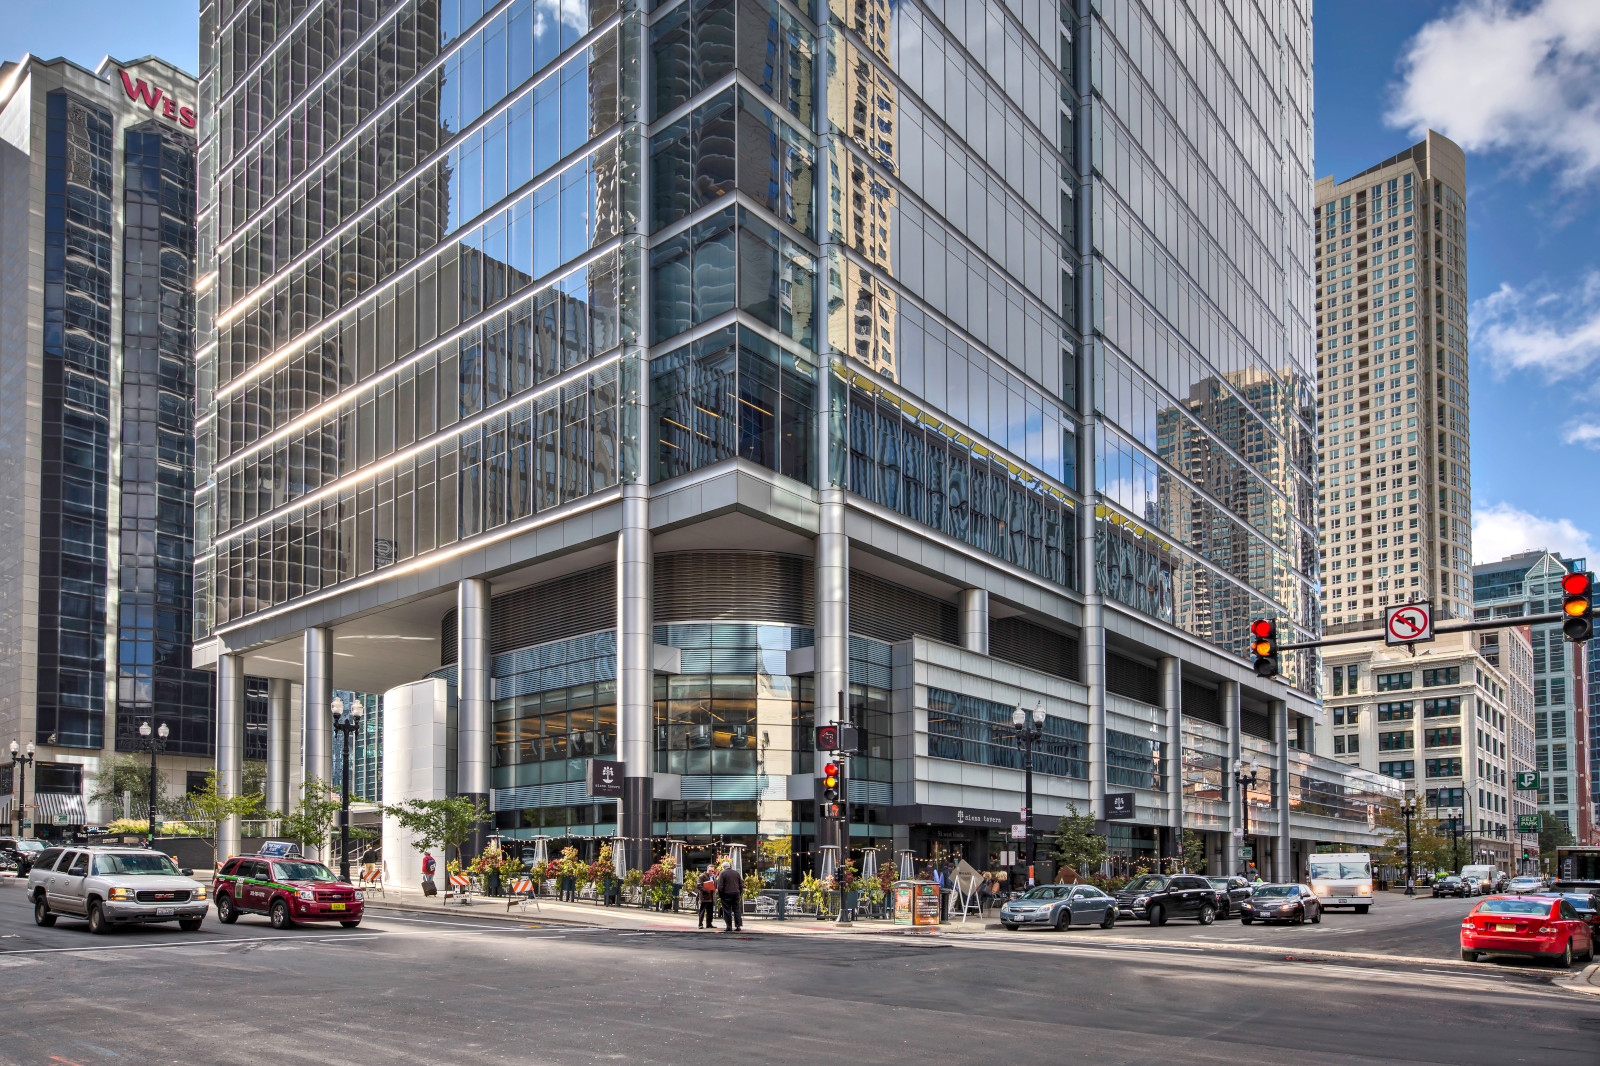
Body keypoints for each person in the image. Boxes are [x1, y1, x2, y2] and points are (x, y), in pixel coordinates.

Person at [716, 863, 744, 932]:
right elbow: (741, 884)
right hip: (736, 893)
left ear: (724, 867)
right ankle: (738, 926)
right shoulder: (736, 873)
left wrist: (720, 895)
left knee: (727, 910)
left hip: (726, 894)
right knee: (736, 910)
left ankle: (729, 926)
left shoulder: (722, 873)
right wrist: (739, 893)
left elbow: (720, 886)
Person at [697, 864, 718, 929]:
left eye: (712, 871)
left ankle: (709, 924)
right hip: (704, 897)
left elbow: (715, 885)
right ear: (707, 870)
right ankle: (700, 924)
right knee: (702, 911)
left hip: (711, 897)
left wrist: (715, 889)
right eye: (710, 871)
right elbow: (699, 885)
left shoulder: (714, 877)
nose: (711, 872)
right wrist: (706, 890)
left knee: (710, 911)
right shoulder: (702, 876)